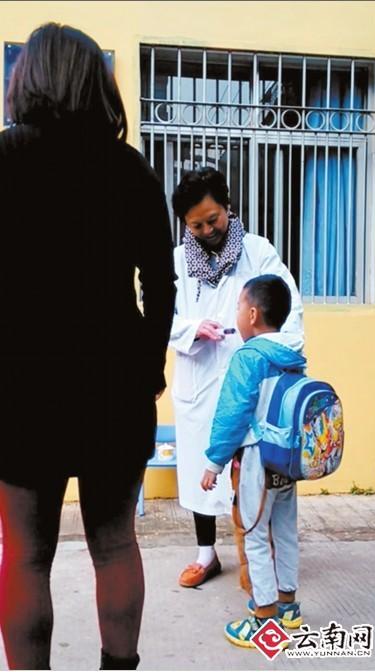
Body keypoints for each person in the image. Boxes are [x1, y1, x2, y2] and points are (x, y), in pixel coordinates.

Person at [0, 23, 175, 671]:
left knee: (24, 554)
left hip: (19, 386)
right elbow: (160, 284)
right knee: (113, 544)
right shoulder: (128, 169)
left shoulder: (4, 160)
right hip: (114, 384)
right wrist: (150, 368)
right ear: (95, 82)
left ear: (27, 79)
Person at [170, 168, 304, 588]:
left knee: (250, 475)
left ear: (228, 207)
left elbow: (288, 304)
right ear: (185, 224)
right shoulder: (177, 261)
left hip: (250, 378)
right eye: (197, 224)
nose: (208, 230)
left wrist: (276, 349)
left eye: (214, 219)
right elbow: (158, 315)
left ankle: (257, 559)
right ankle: (206, 555)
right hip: (199, 374)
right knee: (201, 468)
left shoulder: (257, 251)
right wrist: (191, 329)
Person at [201, 275, 306, 647]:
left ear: (252, 313)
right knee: (285, 530)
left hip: (257, 459)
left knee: (255, 534)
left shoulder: (249, 357)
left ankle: (265, 619)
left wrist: (213, 463)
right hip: (287, 461)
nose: (237, 316)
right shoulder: (293, 355)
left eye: (238, 309)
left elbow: (232, 413)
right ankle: (288, 607)